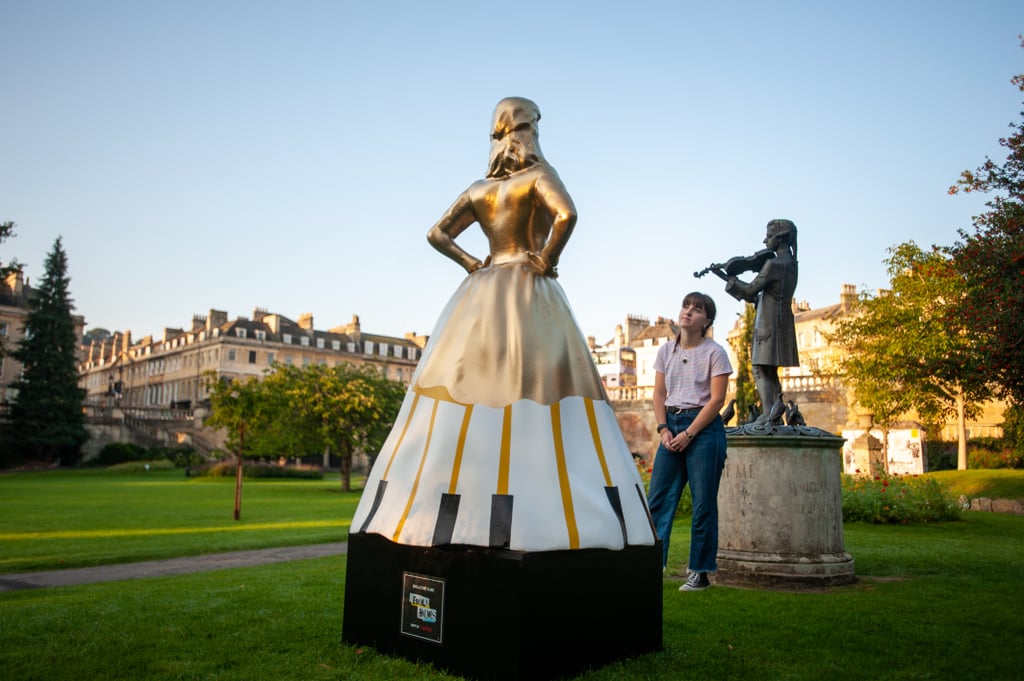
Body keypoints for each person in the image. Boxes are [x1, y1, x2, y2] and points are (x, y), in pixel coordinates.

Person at [350, 97, 656, 553]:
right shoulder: (538, 176)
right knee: (538, 384)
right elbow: (567, 215)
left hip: (481, 291)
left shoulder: (479, 190)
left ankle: (439, 506)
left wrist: (473, 262)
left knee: (461, 392)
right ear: (526, 129)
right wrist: (546, 259)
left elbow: (437, 233)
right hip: (529, 288)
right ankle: (545, 505)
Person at [647, 292, 732, 591]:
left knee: (703, 503)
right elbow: (659, 394)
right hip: (670, 426)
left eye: (697, 310)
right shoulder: (665, 352)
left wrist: (689, 433)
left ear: (706, 321)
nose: (689, 312)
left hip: (704, 430)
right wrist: (664, 430)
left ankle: (700, 571)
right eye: (686, 306)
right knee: (657, 501)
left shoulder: (715, 353)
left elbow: (717, 399)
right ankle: (651, 565)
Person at [725, 219, 799, 425]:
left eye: (769, 236)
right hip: (782, 320)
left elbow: (750, 290)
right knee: (770, 370)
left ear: (781, 237)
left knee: (759, 368)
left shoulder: (774, 264)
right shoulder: (792, 264)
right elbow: (764, 295)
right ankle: (775, 413)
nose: (765, 240)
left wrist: (732, 283)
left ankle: (769, 416)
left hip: (768, 322)